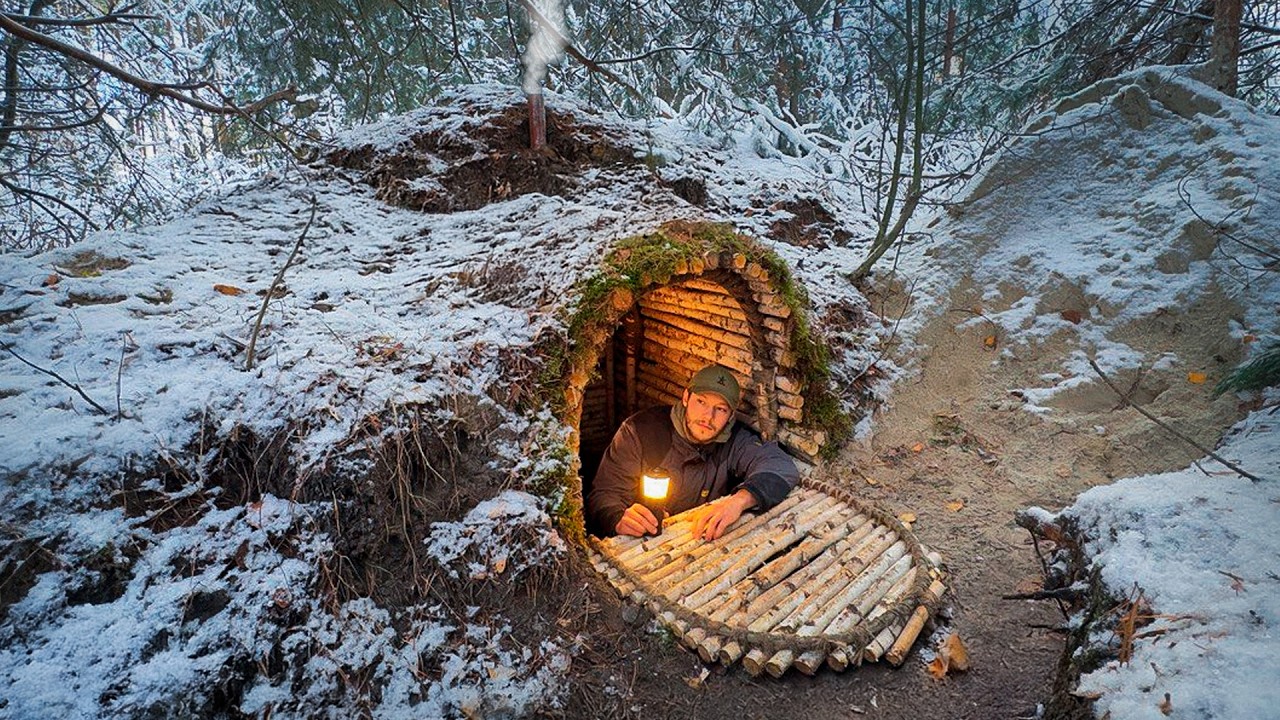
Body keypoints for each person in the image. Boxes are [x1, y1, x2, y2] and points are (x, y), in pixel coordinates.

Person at [586, 364, 800, 540]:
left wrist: (740, 501)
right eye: (701, 402)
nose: (708, 417)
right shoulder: (640, 431)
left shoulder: (735, 441)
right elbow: (603, 495)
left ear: (731, 415)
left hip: (695, 547)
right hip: (638, 546)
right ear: (686, 397)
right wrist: (617, 519)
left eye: (721, 409)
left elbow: (780, 466)